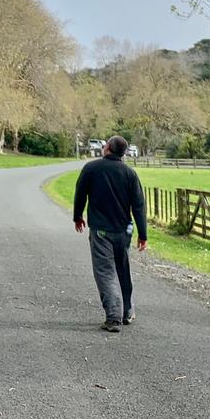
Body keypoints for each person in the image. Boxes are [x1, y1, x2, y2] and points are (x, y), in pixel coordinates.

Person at [73, 135, 147, 333]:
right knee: (122, 269)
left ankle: (113, 316)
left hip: (101, 231)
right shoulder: (130, 174)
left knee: (105, 271)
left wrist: (77, 216)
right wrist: (143, 234)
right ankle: (127, 311)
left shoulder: (92, 168)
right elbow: (139, 206)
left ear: (107, 148)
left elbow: (80, 192)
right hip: (123, 231)